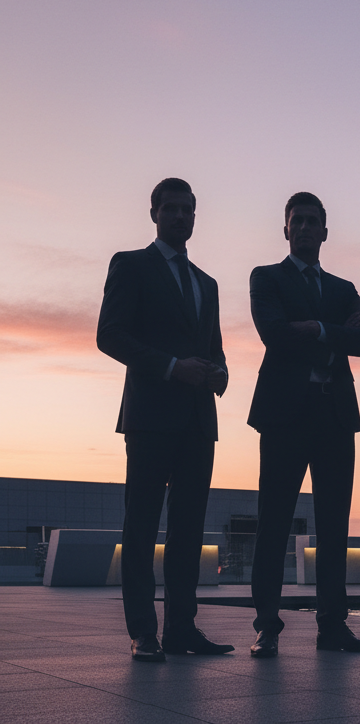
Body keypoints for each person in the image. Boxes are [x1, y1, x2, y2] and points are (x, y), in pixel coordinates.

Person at [96, 177, 232, 662]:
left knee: (189, 531)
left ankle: (180, 629)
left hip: (198, 420)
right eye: (170, 208)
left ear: (195, 217)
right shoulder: (130, 265)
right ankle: (142, 632)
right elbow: (109, 335)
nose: (179, 216)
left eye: (187, 209)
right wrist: (174, 368)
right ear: (154, 213)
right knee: (141, 526)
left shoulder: (207, 284)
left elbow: (213, 347)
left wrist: (219, 373)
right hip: (151, 417)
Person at [247, 192, 360, 658]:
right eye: (296, 220)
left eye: (312, 221)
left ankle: (332, 627)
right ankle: (266, 626)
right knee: (274, 521)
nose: (304, 227)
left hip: (335, 415)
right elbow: (274, 335)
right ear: (285, 229)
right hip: (284, 416)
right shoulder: (266, 278)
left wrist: (317, 330)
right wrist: (334, 335)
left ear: (325, 231)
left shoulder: (343, 288)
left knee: (334, 524)